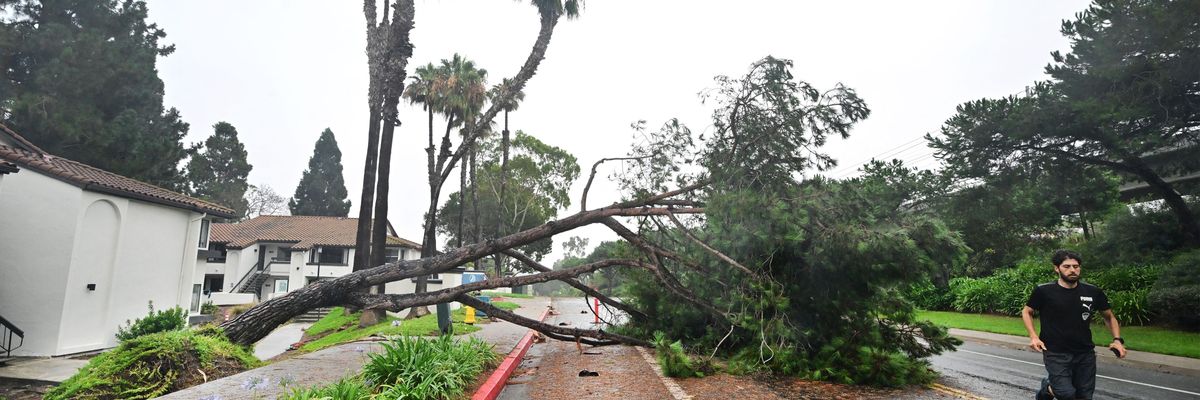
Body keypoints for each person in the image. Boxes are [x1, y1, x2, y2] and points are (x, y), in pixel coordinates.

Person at [1022, 249, 1127, 399]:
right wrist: (1033, 336)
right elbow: (1027, 312)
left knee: (1084, 395)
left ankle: (1051, 388)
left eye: (1076, 266)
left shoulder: (1093, 292)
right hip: (1055, 352)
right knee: (1067, 394)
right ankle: (1049, 388)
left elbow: (1109, 317)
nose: (1072, 270)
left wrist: (1117, 340)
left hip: (1085, 352)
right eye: (1067, 266)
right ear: (1056, 268)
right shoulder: (1044, 291)